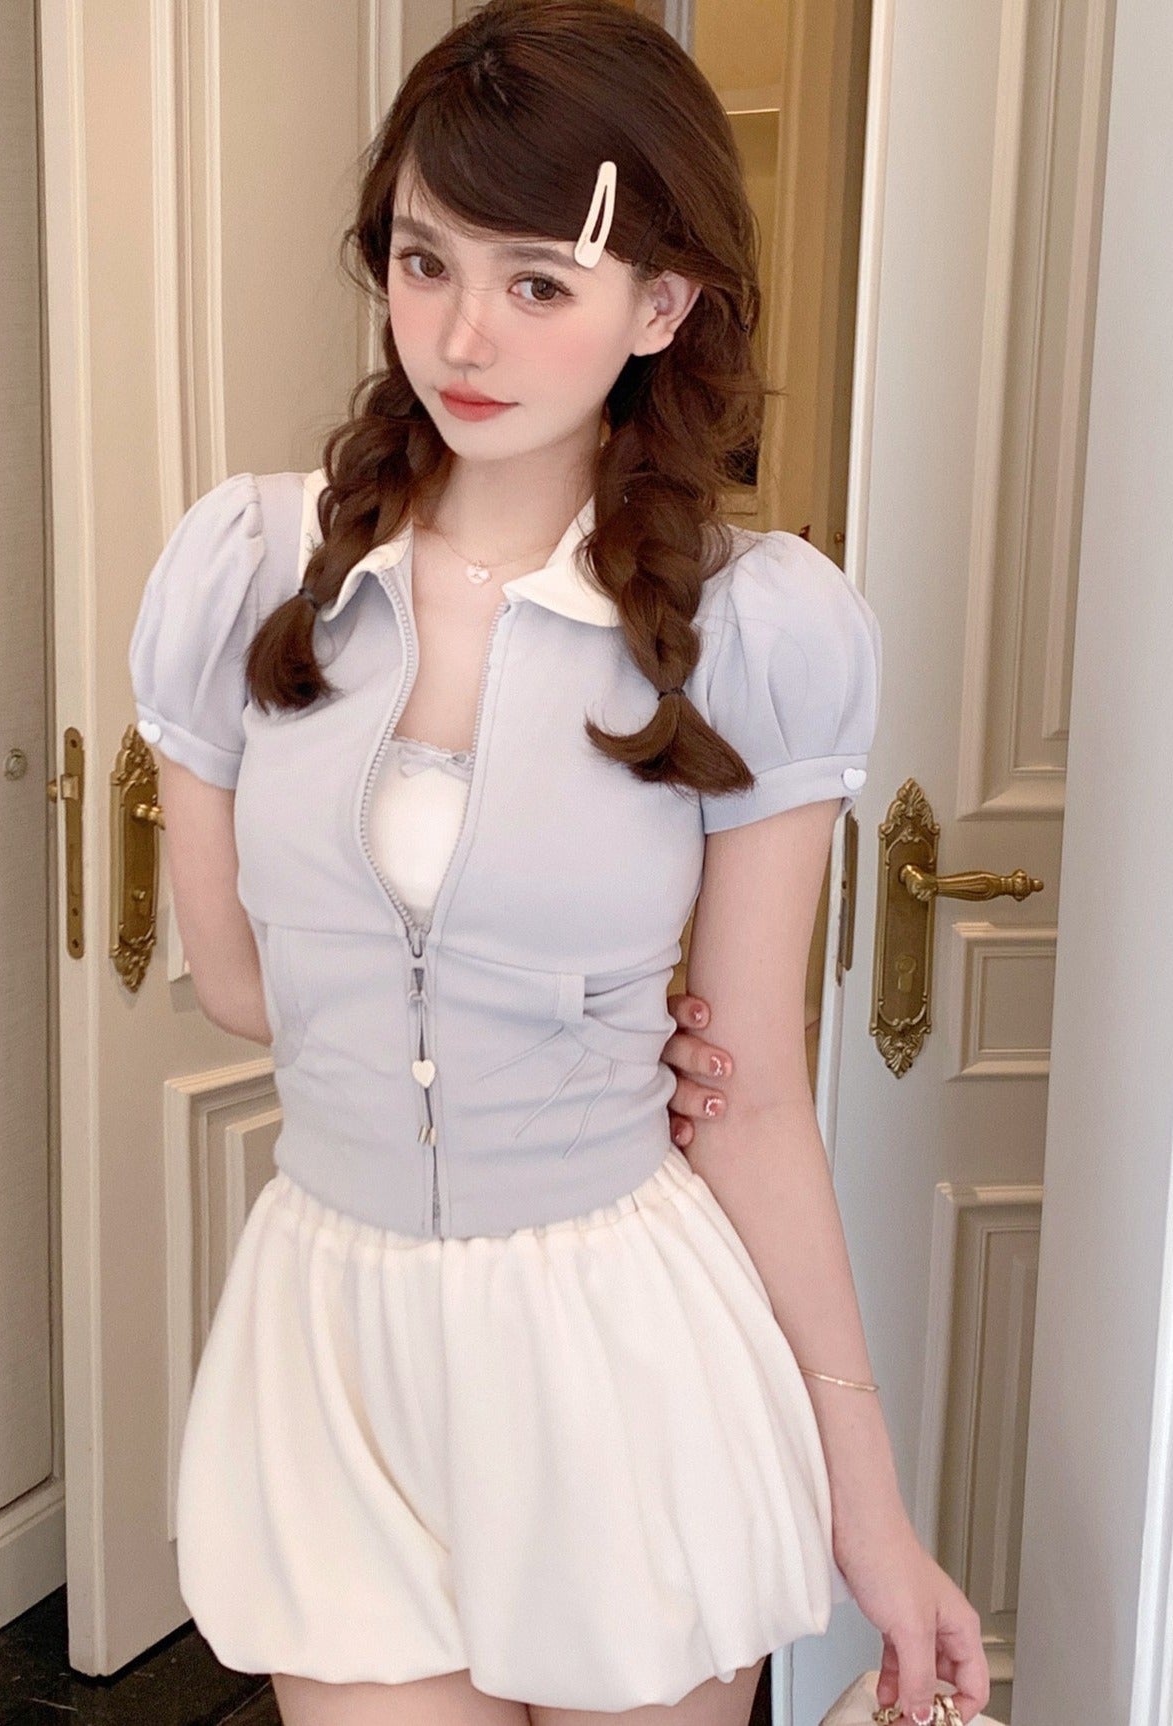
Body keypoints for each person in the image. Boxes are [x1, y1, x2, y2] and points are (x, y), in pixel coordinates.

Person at [128, 3, 991, 1723]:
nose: (463, 335)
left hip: (621, 1346)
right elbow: (239, 987)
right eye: (424, 261)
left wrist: (873, 1513)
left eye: (539, 281)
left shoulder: (754, 629)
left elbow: (749, 1093)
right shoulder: (246, 571)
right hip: (339, 1345)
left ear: (660, 306)